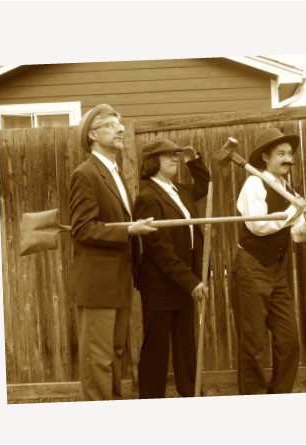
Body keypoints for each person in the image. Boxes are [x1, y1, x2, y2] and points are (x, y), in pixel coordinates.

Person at [69, 104, 156, 401]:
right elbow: (82, 229)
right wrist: (128, 230)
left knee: (114, 354)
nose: (120, 129)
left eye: (120, 124)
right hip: (97, 286)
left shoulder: (115, 172)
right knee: (98, 361)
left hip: (119, 281)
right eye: (110, 125)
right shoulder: (86, 174)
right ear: (93, 135)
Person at [231, 127, 306, 395]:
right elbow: (258, 225)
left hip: (276, 269)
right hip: (251, 267)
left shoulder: (286, 188)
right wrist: (293, 210)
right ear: (265, 158)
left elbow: (294, 235)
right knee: (253, 341)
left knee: (288, 339)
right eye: (281, 153)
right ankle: (254, 398)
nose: (287, 159)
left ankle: (280, 394)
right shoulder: (255, 183)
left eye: (290, 154)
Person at [133, 137, 210, 398]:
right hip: (161, 284)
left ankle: (191, 392)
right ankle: (151, 397)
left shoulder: (180, 190)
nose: (174, 159)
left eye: (175, 155)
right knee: (156, 347)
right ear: (154, 162)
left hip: (184, 281)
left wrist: (192, 159)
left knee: (186, 344)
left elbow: (204, 183)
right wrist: (191, 282)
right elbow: (160, 250)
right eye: (169, 155)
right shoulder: (147, 198)